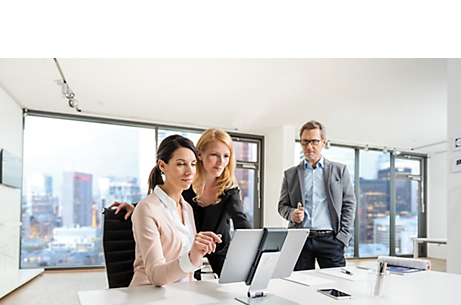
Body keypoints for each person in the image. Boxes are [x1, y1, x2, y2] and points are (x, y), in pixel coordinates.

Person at [111, 128, 251, 277]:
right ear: (200, 155)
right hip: (189, 247)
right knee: (188, 271)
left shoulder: (227, 190)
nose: (221, 162)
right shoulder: (185, 185)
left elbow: (240, 218)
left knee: (231, 282)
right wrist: (136, 207)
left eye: (226, 156)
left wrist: (254, 242)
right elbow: (163, 202)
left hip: (217, 245)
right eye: (214, 155)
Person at [129, 134, 221, 287]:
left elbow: (188, 272)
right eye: (181, 164)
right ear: (162, 166)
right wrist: (192, 257)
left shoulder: (188, 208)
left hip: (183, 292)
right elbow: (156, 276)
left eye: (192, 164)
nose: (189, 171)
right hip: (149, 295)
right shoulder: (147, 209)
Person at [278, 120, 356, 270]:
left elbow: (349, 204)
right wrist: (292, 214)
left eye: (314, 141)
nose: (309, 146)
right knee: (301, 288)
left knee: (336, 287)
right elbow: (282, 206)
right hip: (300, 241)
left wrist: (342, 237)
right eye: (305, 142)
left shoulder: (339, 171)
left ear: (323, 142)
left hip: (331, 240)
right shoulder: (291, 174)